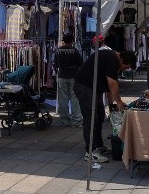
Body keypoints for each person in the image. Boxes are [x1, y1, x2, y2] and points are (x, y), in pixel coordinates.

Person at [73, 35, 137, 163]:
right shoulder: (112, 58)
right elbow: (112, 83)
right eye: (126, 67)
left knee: (100, 115)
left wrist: (112, 105)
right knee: (91, 119)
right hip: (85, 87)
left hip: (93, 89)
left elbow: (109, 88)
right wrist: (118, 102)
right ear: (122, 59)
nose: (125, 69)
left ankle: (98, 145)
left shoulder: (111, 58)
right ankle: (90, 152)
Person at [53, 32, 83, 127]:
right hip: (74, 76)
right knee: (74, 99)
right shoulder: (75, 50)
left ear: (64, 41)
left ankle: (64, 121)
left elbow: (56, 65)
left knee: (62, 99)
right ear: (72, 41)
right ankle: (76, 121)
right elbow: (80, 63)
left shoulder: (58, 51)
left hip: (62, 76)